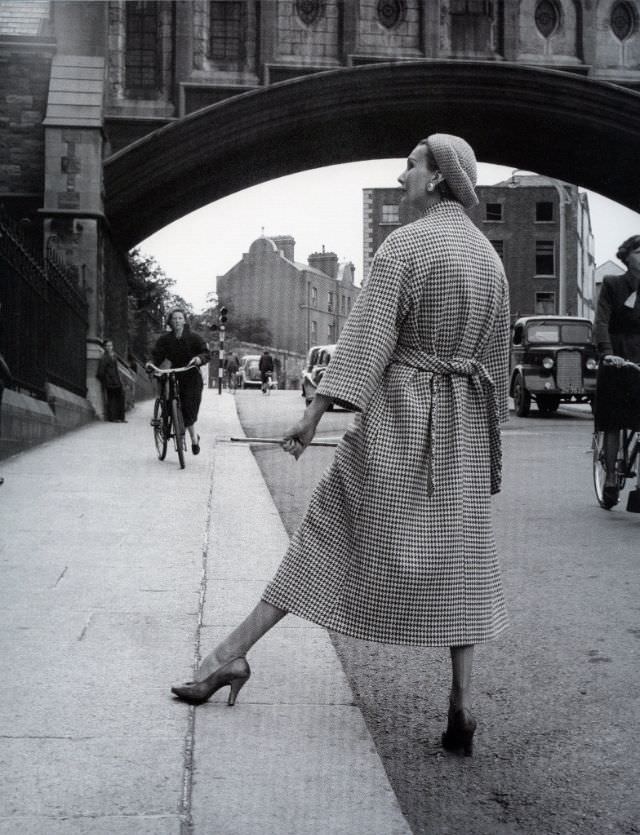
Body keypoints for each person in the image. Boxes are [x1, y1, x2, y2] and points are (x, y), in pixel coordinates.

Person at [171, 134, 511, 757]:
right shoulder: (489, 260)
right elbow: (495, 361)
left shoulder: (405, 246)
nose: (402, 171)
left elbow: (366, 339)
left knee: (327, 534)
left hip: (403, 417)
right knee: (462, 559)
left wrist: (314, 412)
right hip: (462, 423)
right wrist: (485, 438)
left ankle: (227, 657)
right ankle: (460, 709)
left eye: (412, 163)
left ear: (438, 178)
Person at [593, 235, 640, 507]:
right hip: (616, 356)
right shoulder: (613, 284)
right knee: (612, 421)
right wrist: (607, 353)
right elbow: (601, 320)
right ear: (626, 256)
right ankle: (610, 475)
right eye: (639, 251)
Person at [147, 308, 210, 454]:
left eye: (180, 318)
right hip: (175, 373)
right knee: (169, 402)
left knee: (189, 408)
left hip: (191, 375)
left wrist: (198, 359)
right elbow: (157, 355)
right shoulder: (165, 340)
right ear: (170, 321)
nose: (177, 321)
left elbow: (205, 353)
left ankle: (194, 438)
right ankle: (167, 422)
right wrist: (150, 363)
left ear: (184, 320)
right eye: (174, 318)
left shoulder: (194, 338)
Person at [96, 339, 126, 422]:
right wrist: (106, 380)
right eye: (108, 346)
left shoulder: (113, 356)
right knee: (112, 400)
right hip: (110, 383)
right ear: (105, 347)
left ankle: (120, 418)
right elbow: (100, 373)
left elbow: (116, 370)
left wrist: (119, 380)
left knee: (120, 398)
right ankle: (113, 418)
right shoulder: (104, 358)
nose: (110, 347)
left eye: (111, 345)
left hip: (116, 382)